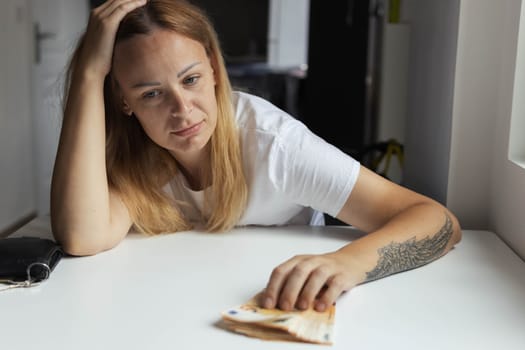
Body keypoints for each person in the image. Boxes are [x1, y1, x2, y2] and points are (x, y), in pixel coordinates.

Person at [51, 0, 461, 313]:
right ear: (124, 101)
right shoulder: (133, 150)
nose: (183, 110)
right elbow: (83, 236)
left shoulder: (274, 145)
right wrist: (89, 72)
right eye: (151, 94)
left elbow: (437, 220)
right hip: (173, 306)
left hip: (273, 305)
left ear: (213, 69)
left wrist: (346, 264)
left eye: (191, 79)